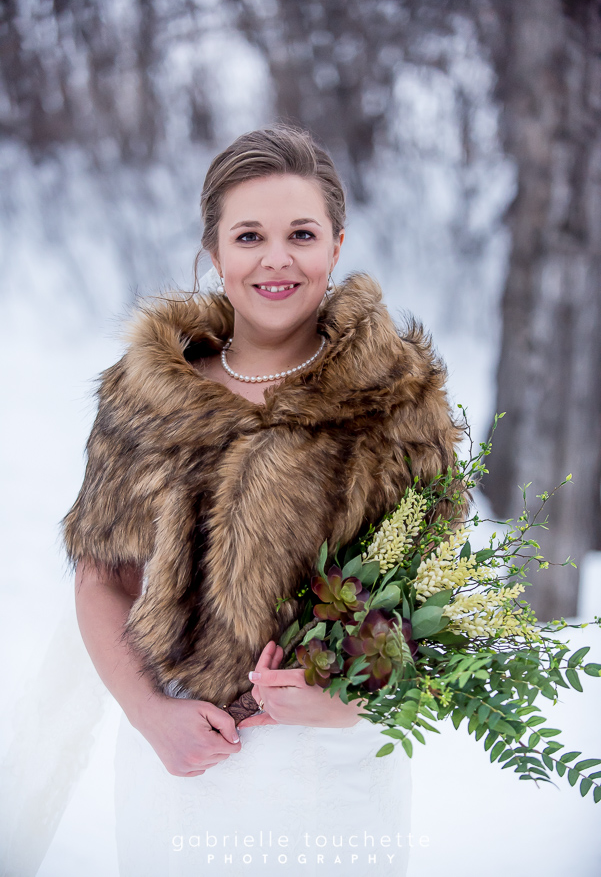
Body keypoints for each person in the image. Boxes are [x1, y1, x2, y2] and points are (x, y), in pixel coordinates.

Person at [63, 124, 464, 876]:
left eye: (301, 234)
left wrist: (352, 700)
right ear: (214, 252)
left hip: (335, 773)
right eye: (249, 236)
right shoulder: (147, 393)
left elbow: (435, 583)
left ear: (336, 247)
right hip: (185, 762)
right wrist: (151, 715)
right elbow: (101, 578)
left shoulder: (397, 395)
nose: (276, 258)